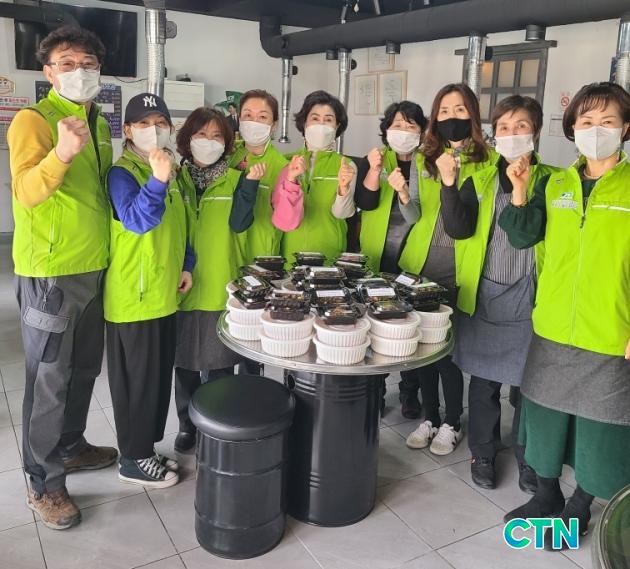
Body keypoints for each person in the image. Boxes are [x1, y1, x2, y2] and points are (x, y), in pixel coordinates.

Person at [500, 82, 630, 550]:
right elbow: (522, 236)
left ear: (625, 128)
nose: (596, 130)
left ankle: (582, 504)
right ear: (573, 127)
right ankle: (547, 494)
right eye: (587, 121)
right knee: (545, 417)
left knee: (600, 428)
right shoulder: (554, 184)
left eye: (608, 121)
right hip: (553, 325)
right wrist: (519, 190)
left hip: (610, 331)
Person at [7, 26, 117, 530]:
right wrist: (62, 153)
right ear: (48, 72)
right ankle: (42, 481)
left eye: (88, 63)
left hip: (93, 267)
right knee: (49, 380)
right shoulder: (34, 120)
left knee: (84, 369)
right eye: (67, 63)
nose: (80, 71)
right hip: (51, 274)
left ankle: (70, 446)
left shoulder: (99, 123)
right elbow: (27, 191)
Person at [439, 95, 557, 491]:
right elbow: (458, 228)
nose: (511, 134)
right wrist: (449, 185)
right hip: (487, 291)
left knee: (528, 386)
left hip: (532, 294)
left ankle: (528, 457)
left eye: (520, 126)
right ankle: (483, 452)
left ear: (535, 131)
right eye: (503, 127)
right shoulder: (481, 179)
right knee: (484, 382)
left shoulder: (554, 181)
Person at [400, 83, 496, 456]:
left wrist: (452, 178)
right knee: (423, 349)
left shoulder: (488, 162)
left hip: (459, 270)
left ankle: (452, 422)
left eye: (459, 110)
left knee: (446, 353)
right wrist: (404, 196)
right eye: (443, 111)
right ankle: (430, 416)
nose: (451, 118)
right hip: (421, 267)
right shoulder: (424, 159)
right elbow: (413, 215)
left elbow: (472, 223)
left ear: (472, 114)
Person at [105, 93, 193, 489]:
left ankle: (145, 449)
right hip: (134, 297)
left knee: (156, 380)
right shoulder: (122, 174)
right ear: (127, 130)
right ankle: (132, 458)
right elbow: (137, 221)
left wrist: (186, 264)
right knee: (136, 384)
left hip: (163, 293)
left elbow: (182, 224)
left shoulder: (171, 169)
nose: (153, 130)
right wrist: (157, 179)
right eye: (143, 123)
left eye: (160, 123)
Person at [174, 107, 264, 452]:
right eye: (201, 134)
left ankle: (217, 426)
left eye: (216, 136)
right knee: (184, 363)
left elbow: (240, 223)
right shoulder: (175, 178)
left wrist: (250, 184)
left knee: (220, 366)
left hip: (219, 283)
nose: (208, 142)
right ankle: (187, 425)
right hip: (180, 286)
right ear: (188, 139)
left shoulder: (237, 180)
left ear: (227, 143)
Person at [355, 100, 428, 419]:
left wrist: (404, 192)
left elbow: (417, 214)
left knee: (411, 325)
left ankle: (410, 391)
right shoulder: (375, 160)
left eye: (411, 125)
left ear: (422, 131)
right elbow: (366, 202)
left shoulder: (428, 165)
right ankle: (377, 391)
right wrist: (373, 171)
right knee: (376, 324)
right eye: (397, 125)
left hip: (413, 257)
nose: (403, 131)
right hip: (377, 255)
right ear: (386, 130)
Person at [271, 90, 356, 264]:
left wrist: (343, 189)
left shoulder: (347, 165)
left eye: (328, 120)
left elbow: (342, 214)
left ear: (337, 126)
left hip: (329, 254)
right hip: (289, 253)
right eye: (315, 118)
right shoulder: (286, 163)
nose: (321, 125)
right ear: (304, 123)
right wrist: (291, 179)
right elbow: (279, 212)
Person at [228, 89, 289, 262]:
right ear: (239, 119)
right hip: (226, 249)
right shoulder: (227, 155)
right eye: (248, 115)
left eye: (262, 117)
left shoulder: (281, 166)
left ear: (274, 125)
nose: (254, 122)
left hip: (260, 254)